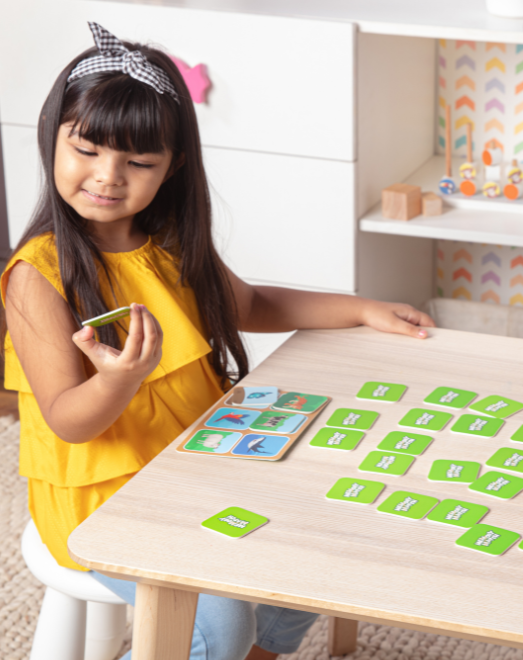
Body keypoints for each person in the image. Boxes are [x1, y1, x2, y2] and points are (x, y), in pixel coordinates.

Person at [2, 23, 434, 660]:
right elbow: (68, 422)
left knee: (320, 545)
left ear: (172, 168)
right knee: (218, 622)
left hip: (194, 462)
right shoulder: (36, 277)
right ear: (53, 138)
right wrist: (120, 378)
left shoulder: (171, 243)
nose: (107, 176)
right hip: (103, 498)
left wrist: (362, 309)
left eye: (138, 162)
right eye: (86, 148)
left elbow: (253, 304)